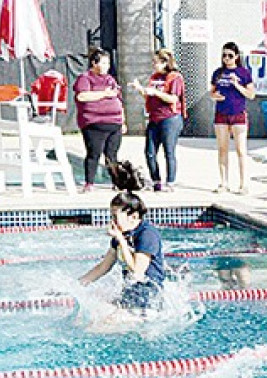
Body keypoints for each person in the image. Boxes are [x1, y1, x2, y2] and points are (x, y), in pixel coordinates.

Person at [79, 161, 166, 311]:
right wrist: (76, 286)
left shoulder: (147, 235)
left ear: (133, 216)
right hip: (131, 296)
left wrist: (121, 240)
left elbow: (137, 272)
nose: (112, 221)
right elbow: (102, 267)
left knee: (99, 327)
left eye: (115, 216)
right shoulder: (122, 234)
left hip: (148, 302)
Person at [129, 48, 185, 192]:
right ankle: (156, 181)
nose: (153, 65)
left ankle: (170, 182)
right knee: (150, 151)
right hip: (154, 118)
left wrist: (156, 92)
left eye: (156, 62)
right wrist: (140, 89)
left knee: (169, 151)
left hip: (170, 118)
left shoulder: (175, 77)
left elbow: (173, 98)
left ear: (165, 62)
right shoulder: (154, 77)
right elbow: (149, 96)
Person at [73, 47, 125, 193]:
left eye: (108, 64)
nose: (106, 67)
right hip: (94, 123)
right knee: (93, 153)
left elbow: (119, 100)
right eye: (103, 63)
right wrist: (103, 94)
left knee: (112, 155)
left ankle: (117, 182)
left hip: (114, 123)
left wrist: (123, 120)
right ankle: (89, 183)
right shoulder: (85, 78)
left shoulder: (110, 80)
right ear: (94, 63)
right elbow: (82, 96)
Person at [209, 42, 255, 194]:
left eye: (230, 55)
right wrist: (214, 96)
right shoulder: (218, 73)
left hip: (238, 114)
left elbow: (251, 94)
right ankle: (223, 182)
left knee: (241, 150)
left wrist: (237, 85)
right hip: (221, 113)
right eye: (224, 55)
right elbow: (212, 91)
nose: (226, 59)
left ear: (236, 56)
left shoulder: (243, 73)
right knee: (222, 149)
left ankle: (244, 184)